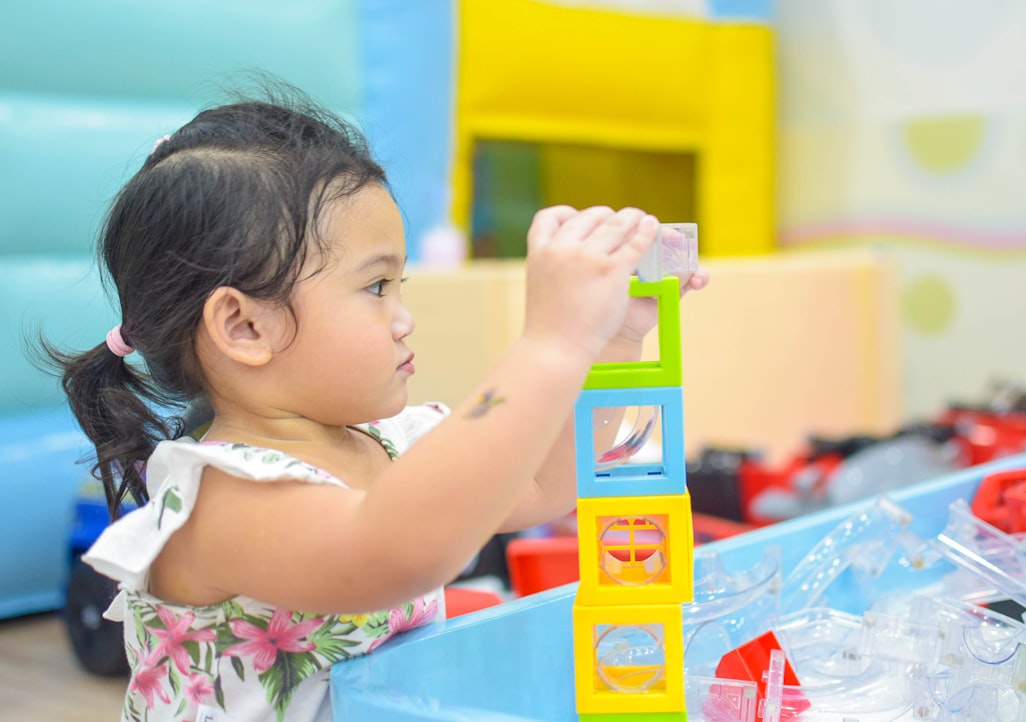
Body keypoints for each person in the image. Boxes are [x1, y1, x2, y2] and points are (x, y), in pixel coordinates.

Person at [49, 86, 708, 722]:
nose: (404, 319)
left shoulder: (391, 439)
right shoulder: (224, 499)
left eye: (400, 284)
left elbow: (543, 483)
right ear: (245, 327)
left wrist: (613, 339)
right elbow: (396, 551)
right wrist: (549, 342)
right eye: (376, 287)